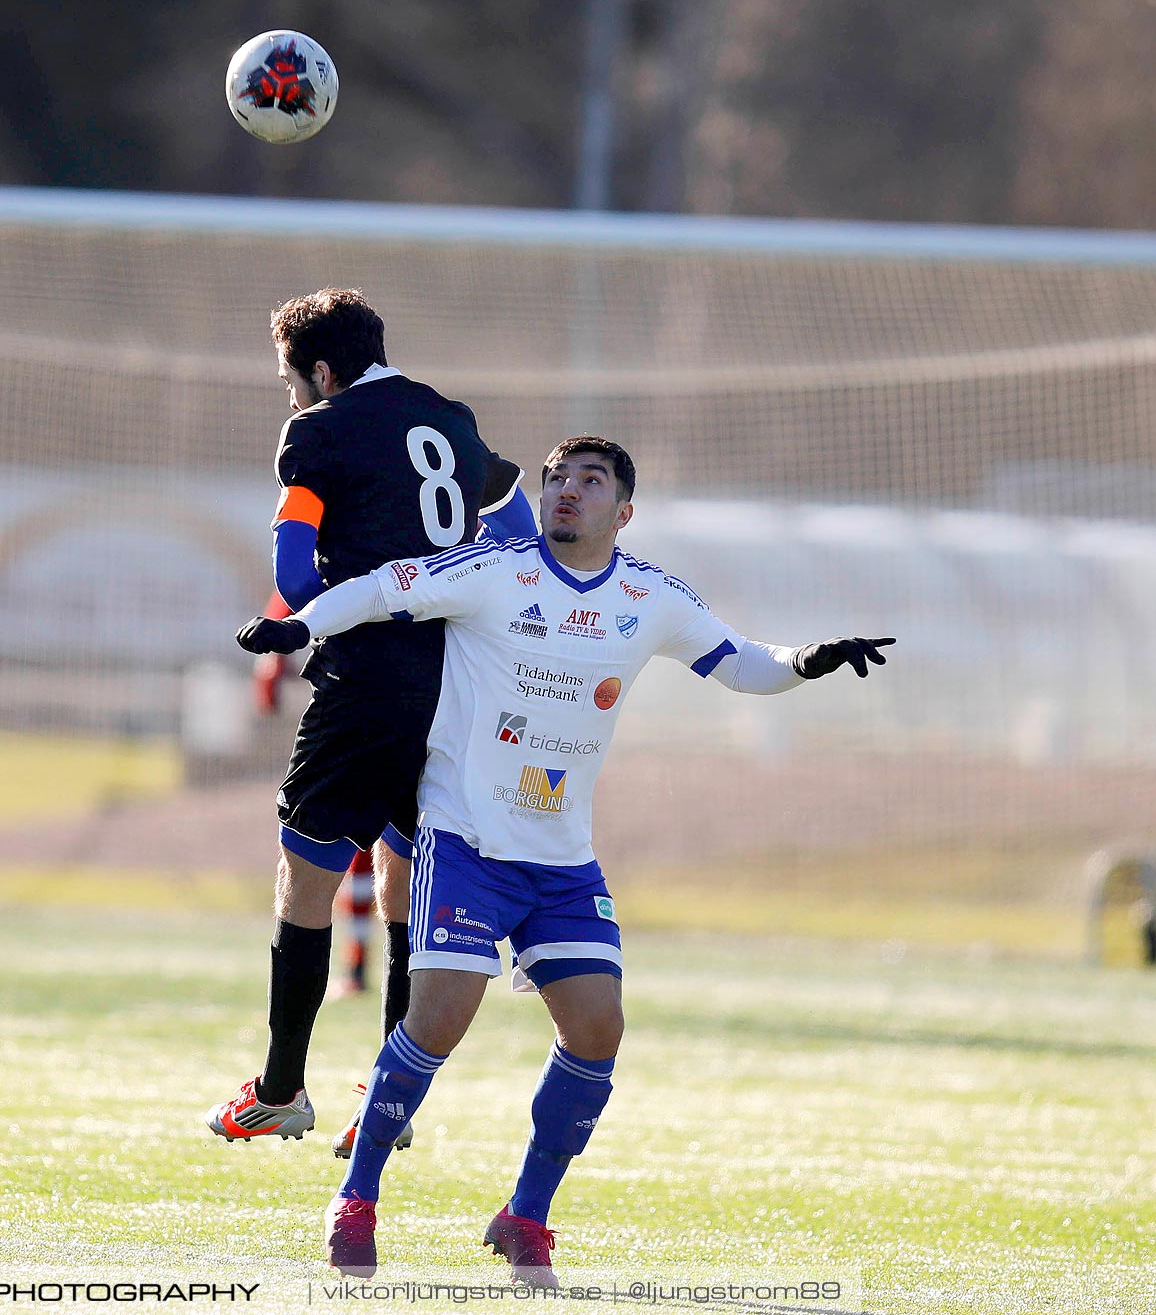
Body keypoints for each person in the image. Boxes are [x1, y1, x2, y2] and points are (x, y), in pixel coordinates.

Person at [236, 436, 893, 1281]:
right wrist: (300, 621)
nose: (565, 492)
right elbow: (382, 588)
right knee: (437, 1018)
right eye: (555, 479)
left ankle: (525, 1217)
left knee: (597, 1028)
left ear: (624, 511)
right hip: (466, 841)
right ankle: (357, 1198)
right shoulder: (495, 569)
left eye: (590, 482)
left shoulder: (648, 595)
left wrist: (808, 661)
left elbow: (740, 662)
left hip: (562, 862)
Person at [206, 289, 536, 1149]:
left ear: (321, 370)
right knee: (404, 884)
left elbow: (294, 564)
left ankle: (281, 1089)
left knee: (305, 877)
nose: (290, 399)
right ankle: (389, 1104)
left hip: (366, 682)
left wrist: (313, 618)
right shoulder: (451, 419)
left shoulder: (318, 431)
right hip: (455, 685)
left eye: (291, 381)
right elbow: (514, 524)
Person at [253, 591, 376, 1000]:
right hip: (416, 705)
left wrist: (270, 676)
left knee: (344, 846)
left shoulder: (344, 540)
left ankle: (360, 964)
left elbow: (294, 585)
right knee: (391, 849)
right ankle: (367, 964)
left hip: (350, 706)